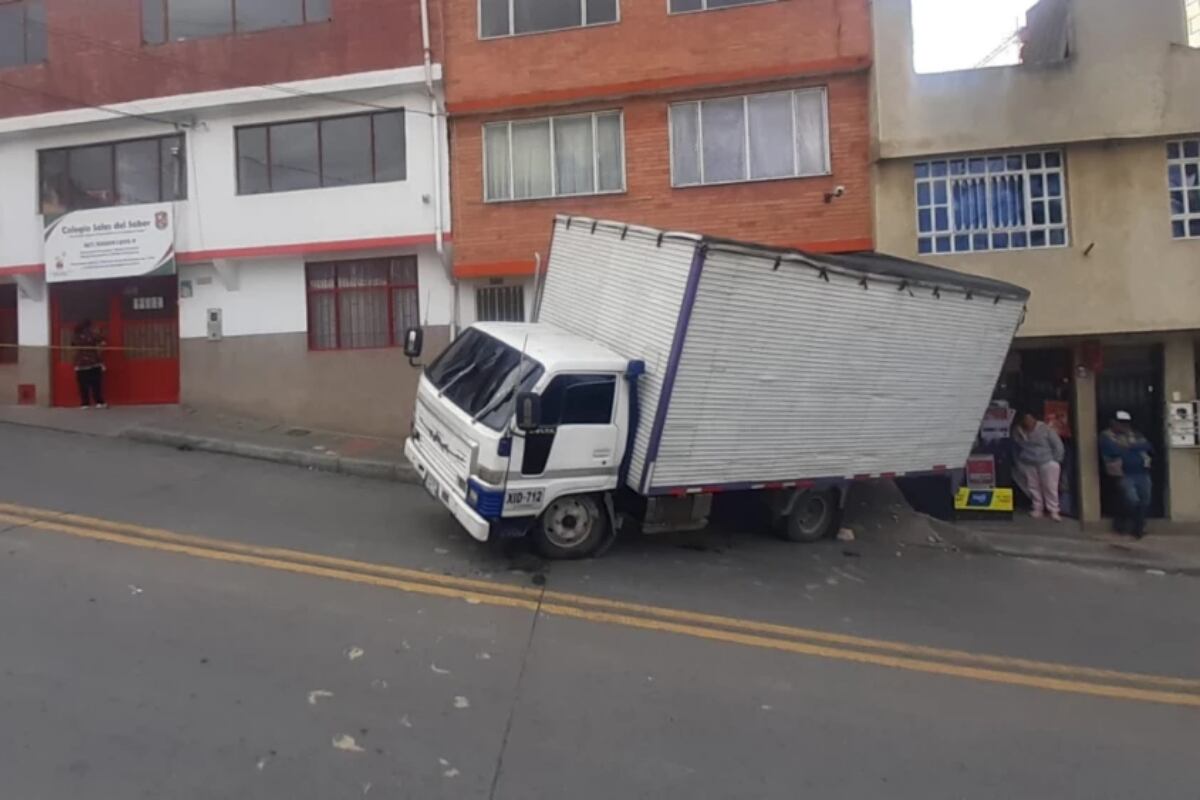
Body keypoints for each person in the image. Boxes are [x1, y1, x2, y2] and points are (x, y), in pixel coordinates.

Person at [1099, 410, 1153, 538]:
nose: (1124, 426)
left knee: (1145, 500)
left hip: (1142, 472)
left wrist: (1127, 447)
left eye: (1126, 423)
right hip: (1123, 473)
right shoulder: (1106, 435)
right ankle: (1127, 525)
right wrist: (1134, 447)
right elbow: (1112, 450)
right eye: (1121, 422)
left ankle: (1138, 528)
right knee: (1131, 500)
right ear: (1113, 422)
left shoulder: (1135, 434)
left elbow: (1148, 446)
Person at [1012, 412, 1065, 521]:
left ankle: (1054, 510)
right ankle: (1037, 508)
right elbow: (1016, 445)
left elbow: (1058, 445)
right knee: (1033, 487)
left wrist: (1056, 460)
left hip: (1047, 461)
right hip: (1028, 462)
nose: (1028, 422)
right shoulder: (1018, 431)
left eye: (1029, 419)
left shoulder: (1046, 429)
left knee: (1050, 487)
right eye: (1025, 420)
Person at [72, 319, 107, 409]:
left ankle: (85, 403)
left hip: (80, 364)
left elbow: (72, 345)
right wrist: (100, 348)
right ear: (89, 326)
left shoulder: (76, 335)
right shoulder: (92, 334)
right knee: (96, 384)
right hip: (93, 362)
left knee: (83, 385)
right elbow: (102, 341)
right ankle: (99, 402)